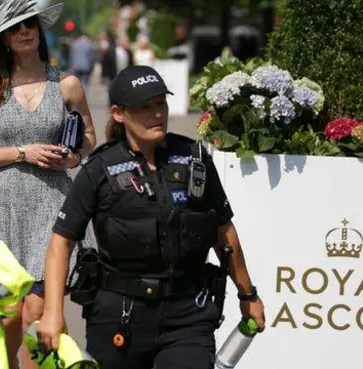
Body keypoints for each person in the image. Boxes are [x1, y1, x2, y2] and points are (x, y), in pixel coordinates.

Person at [37, 65, 266, 369]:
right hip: (119, 316)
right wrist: (53, 311)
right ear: (119, 113)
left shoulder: (194, 159)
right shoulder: (98, 169)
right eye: (145, 107)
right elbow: (61, 242)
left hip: (187, 315)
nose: (157, 113)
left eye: (161, 104)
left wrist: (248, 294)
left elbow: (223, 230)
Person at [0, 0, 97, 368]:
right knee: (7, 316)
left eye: (29, 25)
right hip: (4, 206)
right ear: (5, 39)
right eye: (15, 28)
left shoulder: (67, 84)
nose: (23, 32)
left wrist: (73, 157)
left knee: (36, 316)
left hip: (52, 203)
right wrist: (23, 152)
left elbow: (88, 136)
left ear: (40, 32)